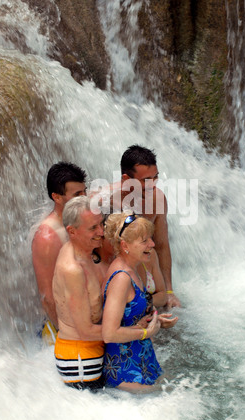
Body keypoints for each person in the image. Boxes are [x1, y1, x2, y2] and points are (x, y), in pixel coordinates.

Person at [102, 212, 178, 393]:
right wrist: (146, 332)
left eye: (150, 239)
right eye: (144, 241)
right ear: (125, 245)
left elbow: (127, 319)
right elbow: (109, 334)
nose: (152, 244)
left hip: (141, 361)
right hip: (126, 372)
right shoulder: (121, 277)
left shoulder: (132, 270)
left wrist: (154, 321)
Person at [110, 145, 182, 309]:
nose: (153, 184)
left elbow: (162, 245)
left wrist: (169, 292)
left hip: (147, 278)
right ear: (127, 180)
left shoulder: (157, 199)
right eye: (146, 180)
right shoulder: (109, 203)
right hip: (119, 282)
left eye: (155, 177)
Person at [53, 196, 105, 391]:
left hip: (85, 354)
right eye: (93, 228)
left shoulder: (81, 250)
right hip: (81, 361)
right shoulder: (73, 269)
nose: (101, 232)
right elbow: (85, 330)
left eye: (101, 224)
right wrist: (137, 332)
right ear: (72, 231)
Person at [32, 162, 87, 332]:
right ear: (57, 197)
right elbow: (47, 297)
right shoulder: (47, 237)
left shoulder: (82, 218)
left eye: (85, 191)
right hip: (59, 326)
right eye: (77, 194)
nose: (85, 198)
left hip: (84, 316)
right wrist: (67, 333)